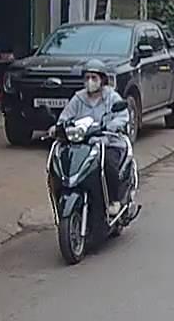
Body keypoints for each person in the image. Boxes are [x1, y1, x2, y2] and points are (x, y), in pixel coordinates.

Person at [56, 59, 131, 217]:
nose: (90, 81)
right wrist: (59, 128)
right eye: (87, 78)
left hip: (108, 142)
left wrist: (110, 127)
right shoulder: (78, 98)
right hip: (83, 144)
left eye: (94, 78)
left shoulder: (111, 97)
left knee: (108, 165)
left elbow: (123, 116)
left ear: (102, 80)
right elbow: (64, 118)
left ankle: (113, 200)